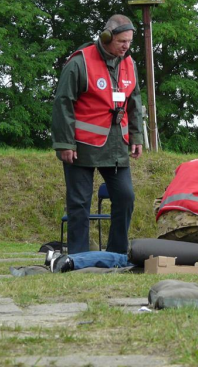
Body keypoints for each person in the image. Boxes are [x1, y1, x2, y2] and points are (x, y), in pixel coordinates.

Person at [52, 14, 144, 255]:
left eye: (130, 42)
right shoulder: (80, 62)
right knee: (79, 203)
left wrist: (136, 137)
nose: (126, 46)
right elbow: (63, 103)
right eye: (122, 41)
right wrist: (64, 142)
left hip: (116, 146)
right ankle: (79, 256)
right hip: (81, 146)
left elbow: (134, 101)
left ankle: (116, 253)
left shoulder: (130, 64)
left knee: (125, 197)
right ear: (106, 37)